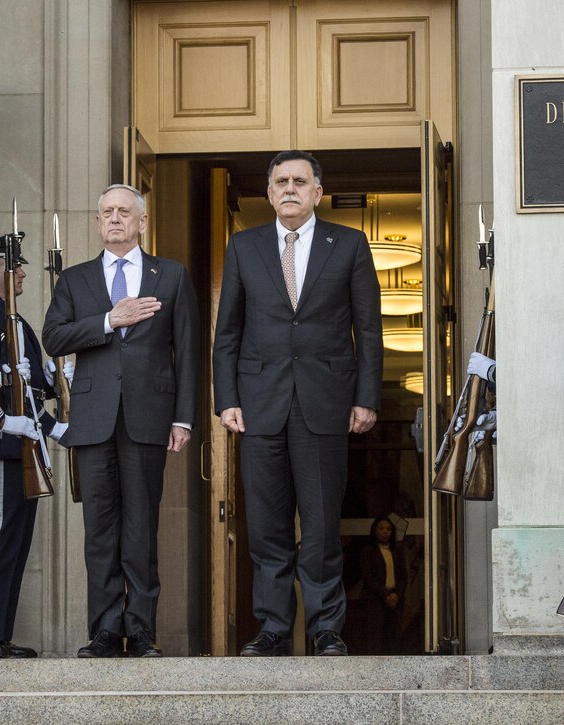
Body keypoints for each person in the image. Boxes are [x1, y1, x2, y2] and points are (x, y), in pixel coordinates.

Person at [212, 150, 383, 656]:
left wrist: (366, 397)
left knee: (323, 523)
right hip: (259, 404)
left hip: (325, 403)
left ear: (316, 192)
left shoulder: (349, 244)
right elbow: (228, 333)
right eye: (281, 181)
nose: (289, 188)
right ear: (269, 193)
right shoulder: (243, 248)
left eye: (299, 181)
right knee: (266, 526)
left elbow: (368, 329)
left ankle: (326, 627)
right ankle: (273, 628)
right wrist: (228, 399)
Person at [43, 183, 199, 658]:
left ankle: (143, 631)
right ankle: (106, 631)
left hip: (149, 417)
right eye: (107, 212)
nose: (114, 219)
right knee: (100, 530)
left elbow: (188, 351)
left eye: (124, 212)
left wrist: (184, 419)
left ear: (142, 222)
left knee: (140, 528)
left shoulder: (169, 276)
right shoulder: (74, 279)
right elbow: (53, 337)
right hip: (92, 421)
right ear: (97, 222)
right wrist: (111, 320)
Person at [0, 236, 70, 659]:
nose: (22, 273)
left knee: (15, 541)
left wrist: (56, 377)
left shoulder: (16, 322)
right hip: (6, 441)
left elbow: (35, 387)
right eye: (15, 266)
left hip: (26, 438)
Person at [360, 517, 405, 655]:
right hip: (375, 600)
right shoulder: (368, 551)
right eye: (381, 528)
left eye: (388, 529)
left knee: (393, 636)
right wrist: (385, 595)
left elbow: (403, 576)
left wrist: (396, 594)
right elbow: (367, 577)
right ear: (374, 531)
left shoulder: (396, 551)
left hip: (394, 600)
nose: (385, 532)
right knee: (375, 637)